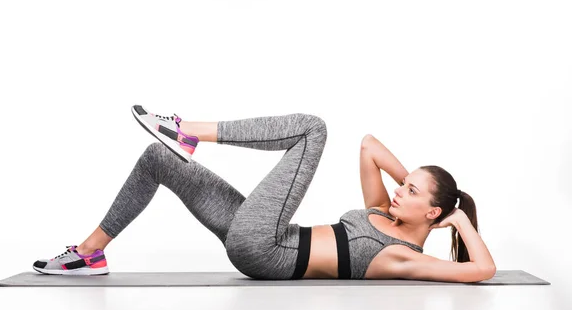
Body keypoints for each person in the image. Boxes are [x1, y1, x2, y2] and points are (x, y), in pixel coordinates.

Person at [33, 105, 496, 281]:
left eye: (410, 190)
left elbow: (483, 269)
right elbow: (369, 145)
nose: (398, 192)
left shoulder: (404, 255)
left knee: (313, 129)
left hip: (267, 251)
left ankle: (187, 129)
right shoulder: (385, 212)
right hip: (260, 234)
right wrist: (412, 187)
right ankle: (90, 254)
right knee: (156, 160)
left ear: (433, 212)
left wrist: (459, 221)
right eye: (403, 184)